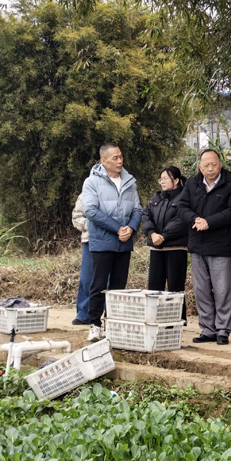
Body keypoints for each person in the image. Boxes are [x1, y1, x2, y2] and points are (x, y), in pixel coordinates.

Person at [179, 149, 231, 345]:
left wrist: (209, 222)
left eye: (214, 164)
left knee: (222, 290)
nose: (210, 168)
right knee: (201, 290)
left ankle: (223, 329)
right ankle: (207, 329)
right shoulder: (192, 183)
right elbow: (182, 206)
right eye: (206, 165)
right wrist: (194, 219)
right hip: (197, 244)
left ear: (220, 164)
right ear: (200, 167)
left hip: (221, 245)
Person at [82, 142, 143, 342]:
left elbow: (137, 209)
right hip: (102, 241)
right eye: (114, 158)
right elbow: (90, 210)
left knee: (119, 285)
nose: (119, 161)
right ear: (103, 161)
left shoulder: (129, 182)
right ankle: (94, 325)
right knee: (98, 284)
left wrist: (131, 229)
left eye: (121, 156)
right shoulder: (92, 182)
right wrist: (117, 228)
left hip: (124, 242)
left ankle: (113, 325)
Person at [142, 166, 188, 321]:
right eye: (160, 179)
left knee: (175, 288)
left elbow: (181, 220)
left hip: (176, 247)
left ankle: (176, 321)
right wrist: (152, 233)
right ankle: (155, 319)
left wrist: (163, 235)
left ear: (176, 180)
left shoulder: (184, 197)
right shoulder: (156, 197)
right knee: (154, 287)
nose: (162, 182)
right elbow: (146, 215)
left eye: (165, 179)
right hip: (156, 248)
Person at [72, 194, 93, 325]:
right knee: (86, 279)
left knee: (109, 281)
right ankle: (84, 314)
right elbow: (76, 216)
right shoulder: (86, 192)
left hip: (112, 240)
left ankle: (110, 315)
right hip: (90, 241)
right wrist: (90, 224)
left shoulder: (118, 189)